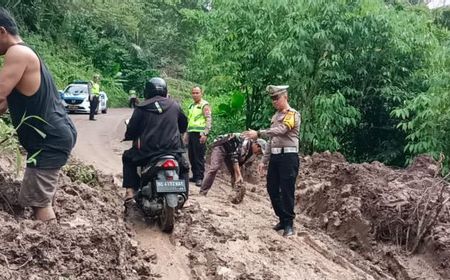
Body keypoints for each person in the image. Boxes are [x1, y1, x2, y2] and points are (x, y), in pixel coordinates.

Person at [0, 8, 77, 221]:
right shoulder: (26, 53)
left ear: (2, 31)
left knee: (38, 202)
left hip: (49, 139)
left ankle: (53, 246)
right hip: (54, 134)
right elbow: (3, 105)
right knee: (41, 199)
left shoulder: (17, 53)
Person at [243, 85, 300, 237]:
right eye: (272, 99)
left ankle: (289, 223)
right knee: (272, 188)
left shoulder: (292, 114)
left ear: (285, 96)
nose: (274, 101)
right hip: (275, 156)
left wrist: (259, 133)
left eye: (277, 98)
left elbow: (281, 130)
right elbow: (271, 140)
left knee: (287, 191)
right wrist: (264, 160)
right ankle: (282, 218)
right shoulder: (275, 116)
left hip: (288, 157)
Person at [122, 77, 188, 204]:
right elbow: (183, 125)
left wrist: (129, 135)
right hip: (173, 151)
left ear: (147, 91)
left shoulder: (141, 107)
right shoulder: (175, 105)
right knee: (184, 167)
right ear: (165, 90)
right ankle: (184, 195)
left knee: (127, 158)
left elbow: (132, 130)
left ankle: (130, 192)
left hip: (147, 153)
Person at [199, 133, 266, 203]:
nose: (259, 154)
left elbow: (239, 163)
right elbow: (234, 158)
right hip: (221, 145)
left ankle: (235, 196)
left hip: (231, 152)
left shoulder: (251, 152)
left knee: (236, 174)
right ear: (256, 145)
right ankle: (203, 192)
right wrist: (239, 175)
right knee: (214, 168)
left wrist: (238, 176)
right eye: (260, 151)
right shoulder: (245, 143)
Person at [186, 86, 212, 187]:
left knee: (199, 156)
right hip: (192, 133)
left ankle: (200, 177)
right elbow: (190, 120)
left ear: (201, 93)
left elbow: (208, 119)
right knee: (191, 156)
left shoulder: (204, 105)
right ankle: (195, 175)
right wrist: (186, 134)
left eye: (197, 93)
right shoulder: (191, 106)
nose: (195, 95)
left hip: (200, 133)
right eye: (193, 93)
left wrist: (205, 133)